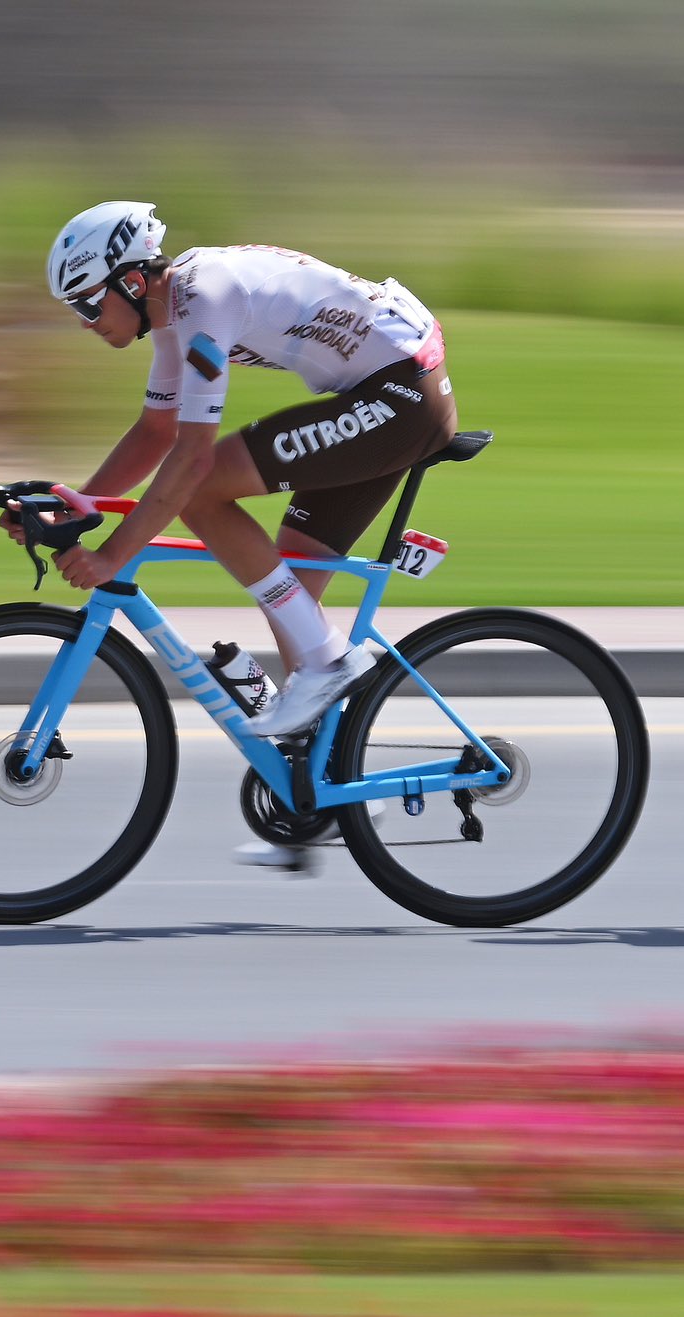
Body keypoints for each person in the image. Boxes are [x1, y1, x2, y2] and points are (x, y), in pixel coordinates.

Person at [41, 200, 458, 864]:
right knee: (292, 588)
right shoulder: (176, 310)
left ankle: (333, 662)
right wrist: (77, 506)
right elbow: (155, 432)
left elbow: (194, 458)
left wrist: (115, 553)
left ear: (128, 281)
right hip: (380, 396)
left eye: (88, 306)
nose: (86, 323)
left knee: (202, 493)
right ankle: (324, 802)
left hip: (399, 396)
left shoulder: (202, 298)